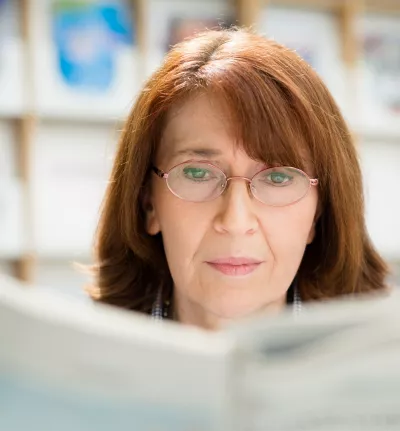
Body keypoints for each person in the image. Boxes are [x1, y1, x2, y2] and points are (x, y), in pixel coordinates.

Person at [89, 27, 389, 330]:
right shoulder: (76, 364)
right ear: (148, 202)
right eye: (197, 173)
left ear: (318, 211)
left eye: (278, 178)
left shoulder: (378, 367)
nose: (235, 221)